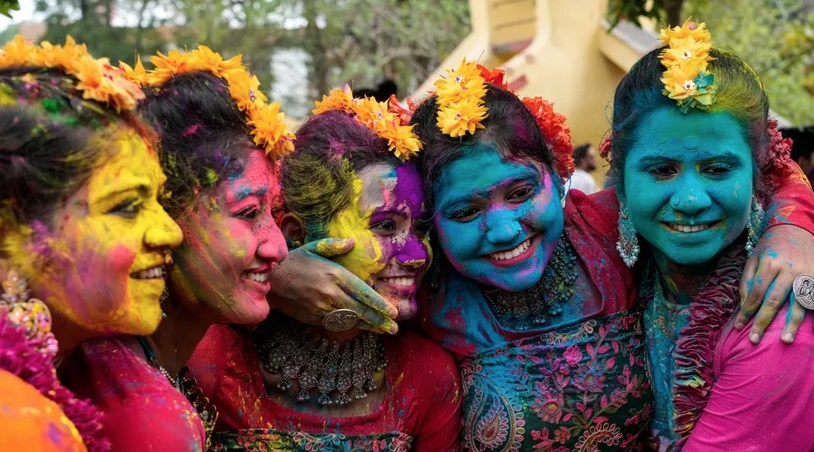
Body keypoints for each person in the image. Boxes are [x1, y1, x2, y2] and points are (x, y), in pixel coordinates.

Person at [268, 60, 814, 451]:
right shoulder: (420, 282)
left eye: (522, 192)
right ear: (429, 222)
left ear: (558, 176)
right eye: (464, 212)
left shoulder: (601, 227)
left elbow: (728, 163)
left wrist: (793, 225)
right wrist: (281, 274)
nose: (504, 229)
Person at [187, 87, 462, 452]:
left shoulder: (429, 376)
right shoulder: (214, 358)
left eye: (421, 229)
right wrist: (277, 275)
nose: (416, 255)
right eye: (384, 226)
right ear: (297, 235)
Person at [60, 46, 293, 452]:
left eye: (273, 212)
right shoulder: (148, 419)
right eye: (249, 212)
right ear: (165, 220)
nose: (280, 248)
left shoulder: (167, 356)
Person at [609, 21, 814, 451]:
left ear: (759, 174)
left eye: (718, 169)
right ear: (620, 182)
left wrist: (796, 221)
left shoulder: (776, 318)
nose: (688, 199)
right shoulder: (611, 259)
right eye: (662, 169)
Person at [0, 35, 183, 451]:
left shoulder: (70, 369)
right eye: (125, 207)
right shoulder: (19, 423)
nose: (171, 232)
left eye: (159, 200)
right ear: (10, 238)